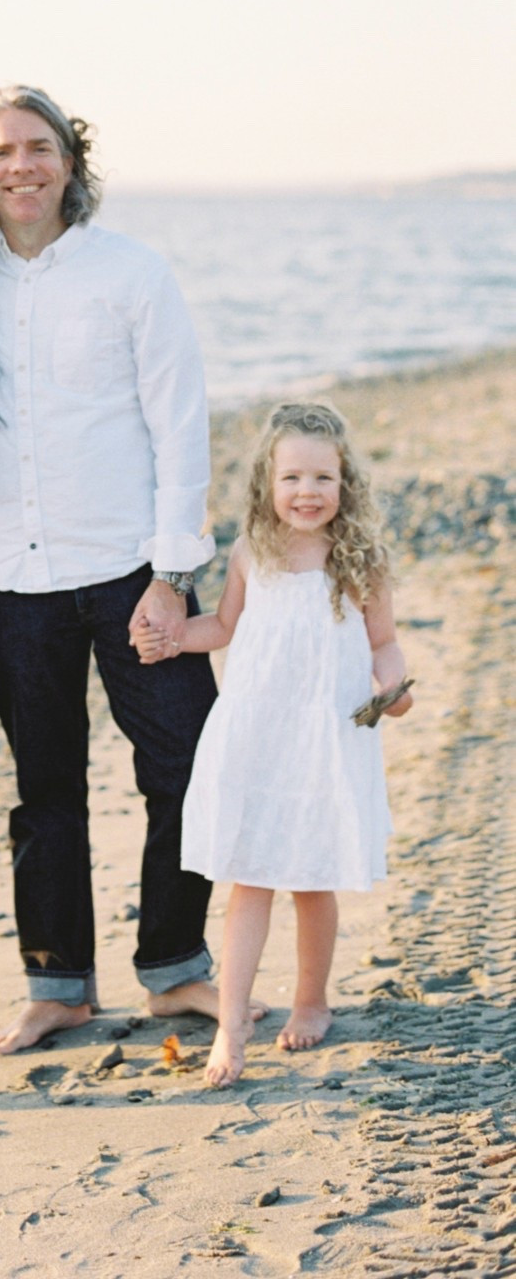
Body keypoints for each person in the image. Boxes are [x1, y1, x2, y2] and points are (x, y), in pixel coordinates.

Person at [0, 82, 229, 1055]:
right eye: (0, 152)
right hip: (13, 579)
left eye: (38, 146)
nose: (20, 164)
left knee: (185, 763)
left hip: (128, 568)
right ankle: (57, 982)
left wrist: (171, 570)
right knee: (45, 785)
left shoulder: (132, 272)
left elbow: (179, 423)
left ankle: (176, 969)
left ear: (71, 158)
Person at [134, 400, 411, 1087]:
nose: (306, 493)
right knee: (249, 876)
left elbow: (383, 642)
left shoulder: (357, 559)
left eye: (322, 478)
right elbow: (222, 627)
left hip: (323, 736)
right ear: (267, 481)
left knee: (313, 880)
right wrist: (171, 637)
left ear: (345, 484)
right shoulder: (249, 551)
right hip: (256, 732)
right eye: (291, 478)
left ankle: (311, 998)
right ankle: (230, 1027)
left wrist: (395, 685)